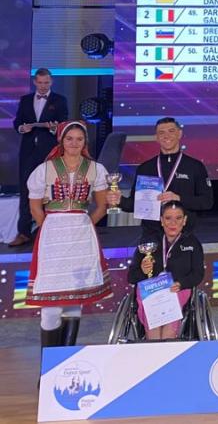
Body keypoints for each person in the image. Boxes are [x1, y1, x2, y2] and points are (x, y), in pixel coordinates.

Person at [25, 121, 111, 351]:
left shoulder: (95, 169)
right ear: (61, 140)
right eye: (69, 138)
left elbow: (102, 206)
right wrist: (50, 228)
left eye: (79, 139)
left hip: (82, 236)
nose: (74, 143)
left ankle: (65, 360)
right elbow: (35, 207)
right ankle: (49, 365)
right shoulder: (44, 169)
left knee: (75, 300)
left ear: (85, 142)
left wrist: (84, 225)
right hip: (53, 235)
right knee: (51, 306)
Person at [106, 117, 214, 242]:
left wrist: (179, 198)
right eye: (161, 133)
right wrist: (120, 200)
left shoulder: (195, 166)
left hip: (184, 236)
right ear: (156, 137)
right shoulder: (145, 168)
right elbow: (134, 205)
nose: (166, 136)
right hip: (151, 235)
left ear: (179, 134)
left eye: (171, 131)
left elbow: (207, 202)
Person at [128, 201, 205, 340]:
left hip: (177, 289)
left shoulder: (192, 243)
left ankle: (166, 348)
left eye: (178, 218)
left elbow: (198, 274)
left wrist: (181, 283)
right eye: (168, 218)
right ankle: (155, 350)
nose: (173, 223)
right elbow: (132, 277)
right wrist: (143, 270)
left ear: (185, 220)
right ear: (162, 221)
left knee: (170, 307)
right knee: (154, 318)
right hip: (151, 291)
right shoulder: (148, 243)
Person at [10, 68, 69, 247]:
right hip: (28, 151)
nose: (43, 86)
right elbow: (17, 122)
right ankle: (24, 232)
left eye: (47, 83)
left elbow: (64, 124)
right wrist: (22, 128)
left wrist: (53, 128)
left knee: (50, 191)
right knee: (26, 190)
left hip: (49, 151)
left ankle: (46, 231)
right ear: (35, 82)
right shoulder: (25, 100)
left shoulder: (60, 100)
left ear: (51, 83)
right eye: (40, 83)